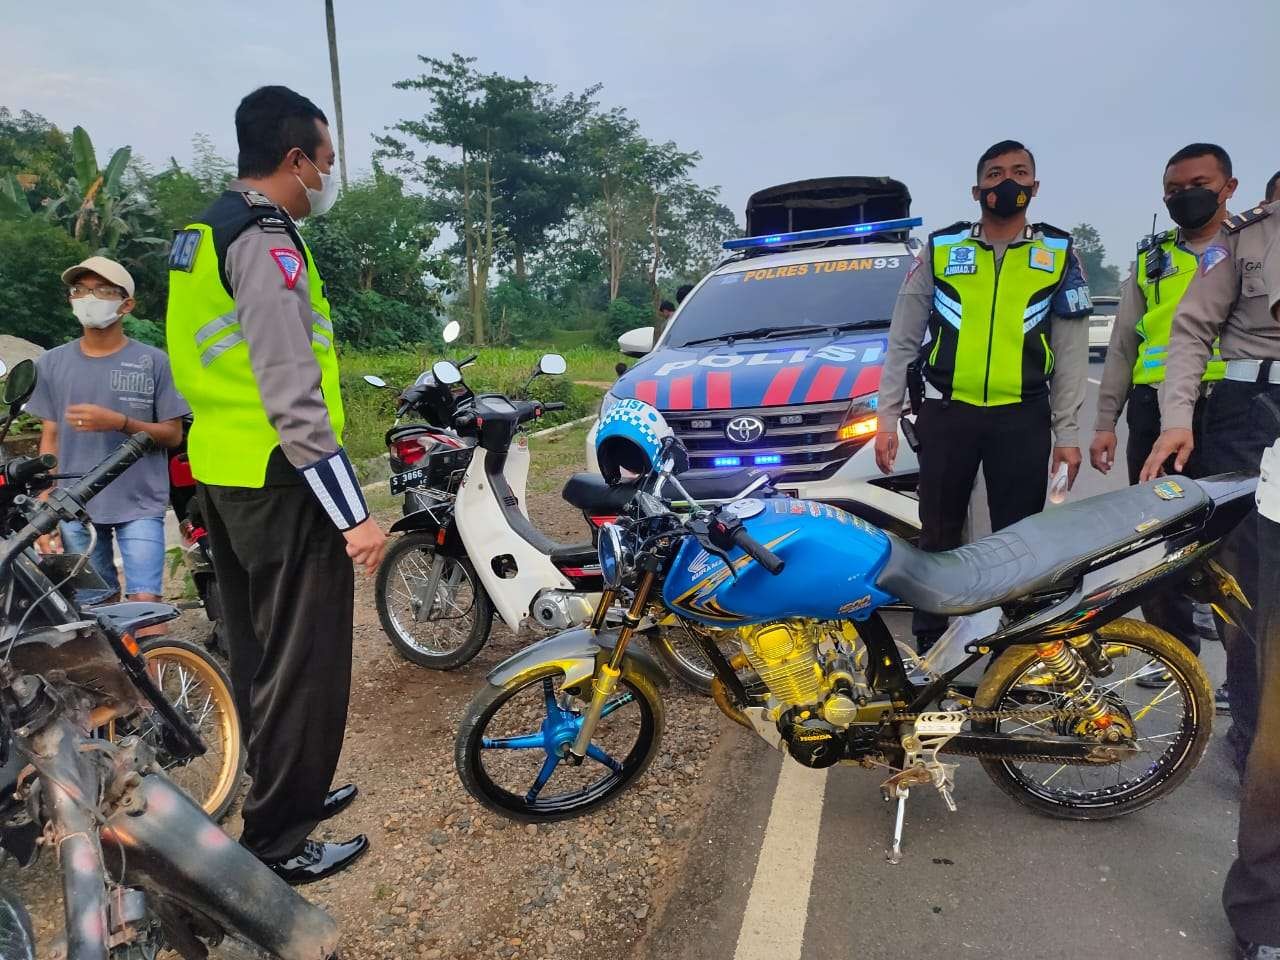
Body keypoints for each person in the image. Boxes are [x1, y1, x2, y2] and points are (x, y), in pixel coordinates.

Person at [165, 86, 385, 885]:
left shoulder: (199, 233)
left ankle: (282, 791)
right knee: (307, 663)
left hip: (222, 472)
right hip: (280, 476)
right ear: (296, 159)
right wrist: (353, 514)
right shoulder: (265, 239)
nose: (327, 176)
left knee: (261, 651)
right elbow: (292, 391)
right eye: (325, 162)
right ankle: (279, 842)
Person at [876, 140, 1092, 653]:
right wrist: (887, 417)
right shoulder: (944, 249)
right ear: (977, 190)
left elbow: (1071, 351)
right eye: (995, 175)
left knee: (1020, 538)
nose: (1007, 183)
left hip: (1023, 416)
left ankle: (1014, 645)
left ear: (1034, 187)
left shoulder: (1058, 254)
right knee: (938, 533)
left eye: (1019, 173)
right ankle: (933, 643)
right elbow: (903, 338)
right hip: (948, 413)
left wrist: (1068, 434)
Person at [1141, 199, 1279, 960]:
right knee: (1257, 634)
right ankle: (1267, 916)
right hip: (1259, 420)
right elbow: (1186, 329)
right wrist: (1177, 415)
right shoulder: (1251, 238)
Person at [1089, 143, 1236, 685]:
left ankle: (1238, 674)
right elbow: (1123, 346)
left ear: (1228, 186)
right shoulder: (1153, 260)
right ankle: (1175, 656)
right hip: (1154, 411)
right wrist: (1106, 421)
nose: (1185, 197)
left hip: (1228, 409)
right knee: (1160, 537)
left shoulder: (1246, 250)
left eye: (1197, 184)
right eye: (1173, 190)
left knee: (1233, 542)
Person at [27, 257, 188, 620]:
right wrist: (46, 497)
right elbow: (50, 435)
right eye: (79, 290)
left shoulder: (154, 362)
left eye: (101, 290)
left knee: (147, 611)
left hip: (139, 502)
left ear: (126, 304)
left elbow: (172, 434)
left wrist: (121, 422)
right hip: (75, 507)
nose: (88, 298)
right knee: (93, 613)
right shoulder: (51, 364)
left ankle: (154, 671)